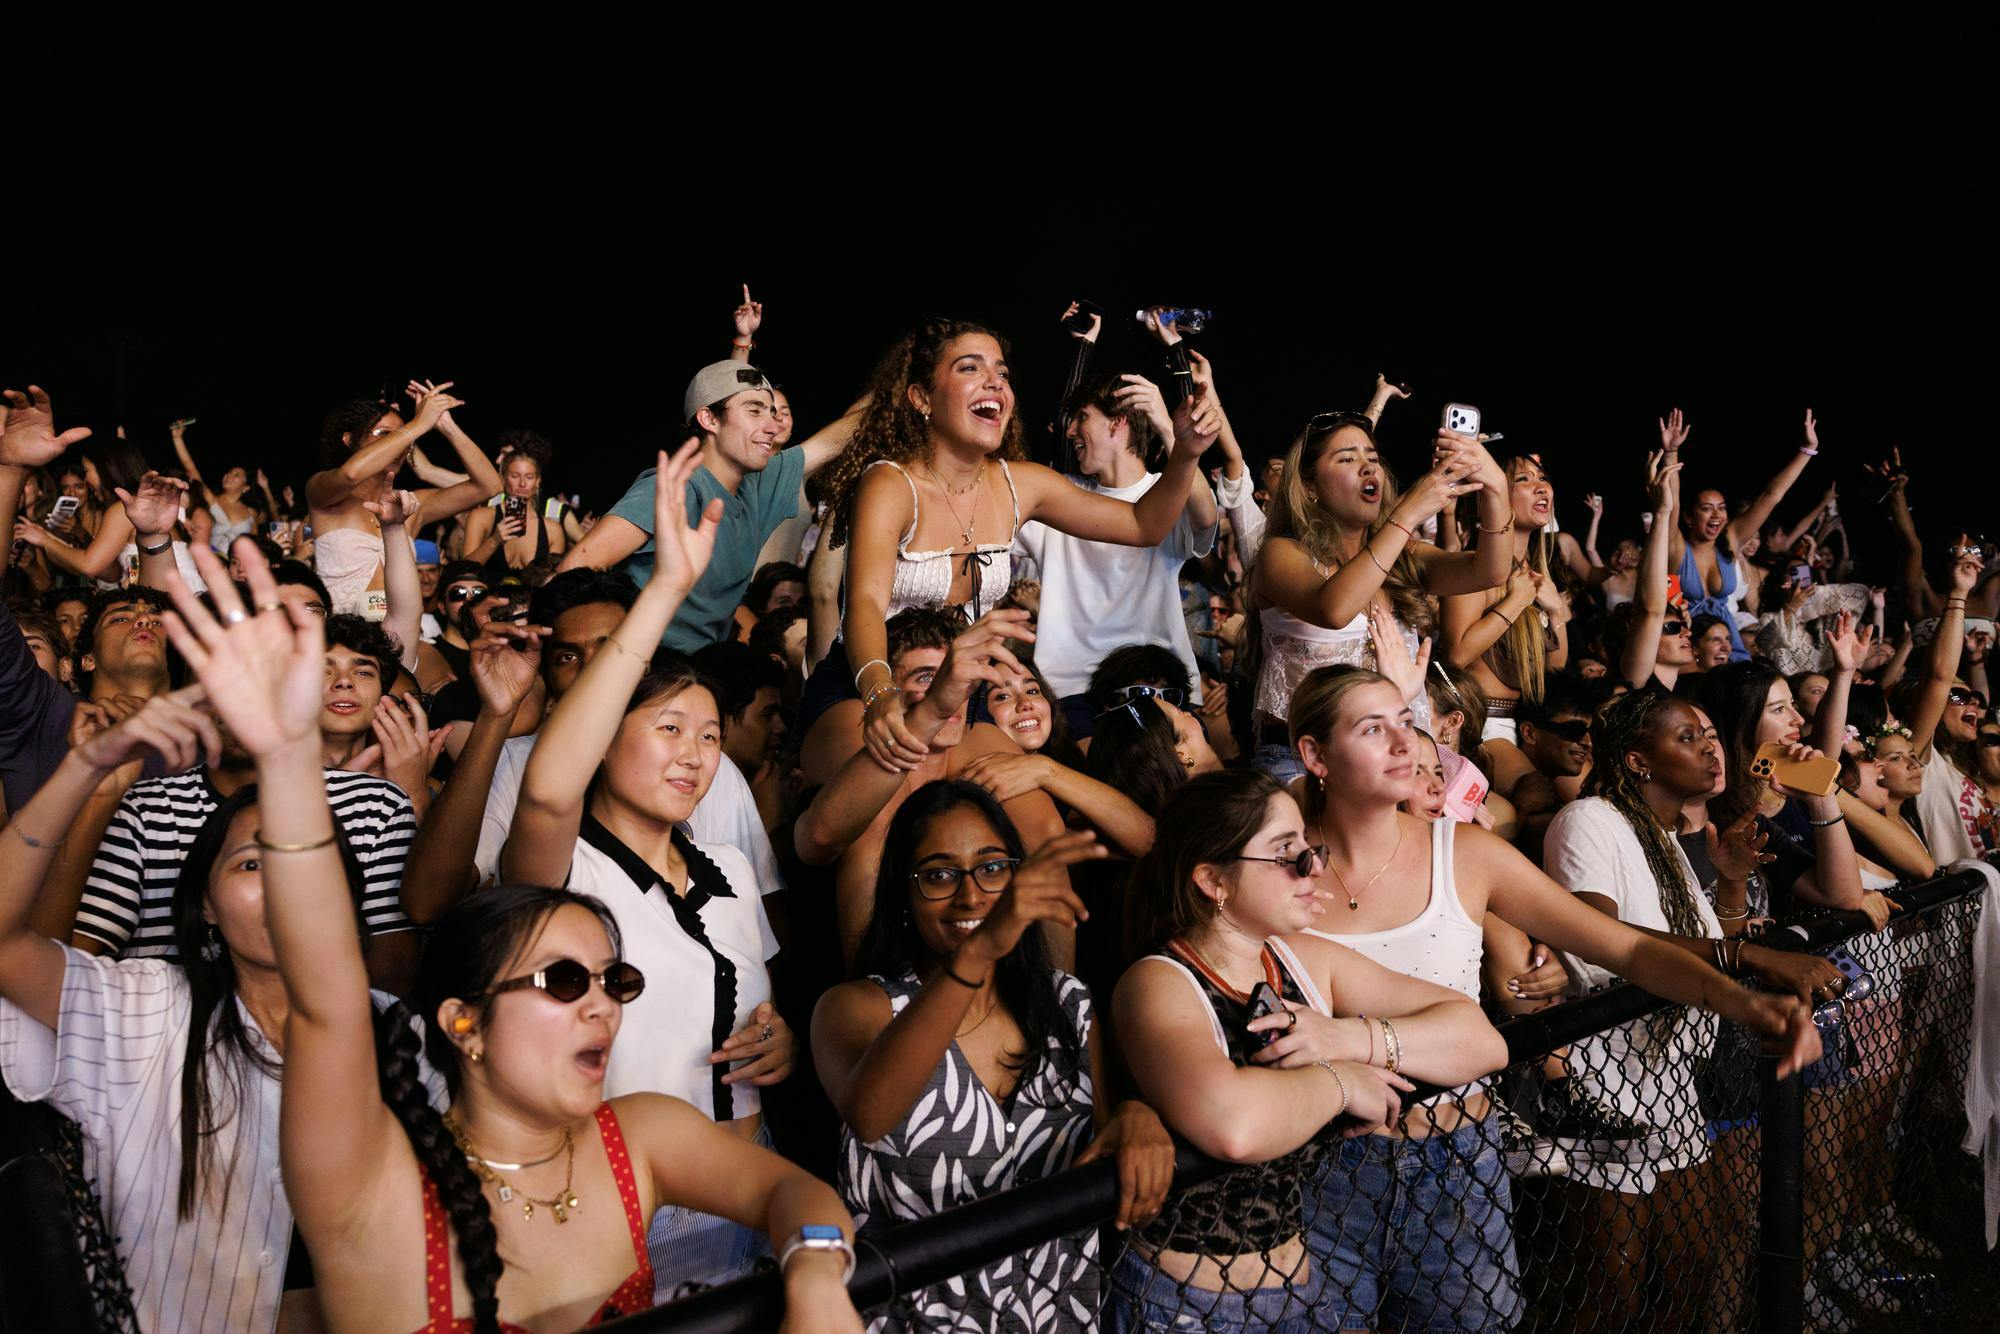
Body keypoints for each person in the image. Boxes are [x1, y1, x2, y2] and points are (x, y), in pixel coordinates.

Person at [152, 537, 864, 1334]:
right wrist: (285, 765)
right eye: (565, 982)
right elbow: (326, 998)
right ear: (464, 1024)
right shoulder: (374, 1190)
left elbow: (794, 1191)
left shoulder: (635, 1141)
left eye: (613, 981)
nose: (605, 1008)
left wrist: (813, 1271)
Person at [1287, 667, 1826, 1330]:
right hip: (1323, 1166)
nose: (1404, 742)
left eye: (1407, 721)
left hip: (1456, 1157)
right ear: (1314, 756)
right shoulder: (1274, 870)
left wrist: (1742, 997)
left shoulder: (1467, 853)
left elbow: (1622, 948)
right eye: (1375, 728)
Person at [0, 685, 404, 1333]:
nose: (283, 882)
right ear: (206, 906)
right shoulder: (143, 1009)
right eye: (250, 862)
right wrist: (84, 769)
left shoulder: (403, 1039)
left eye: (305, 859)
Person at [503, 443, 806, 1293]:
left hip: (749, 1196)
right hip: (620, 1208)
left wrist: (778, 1041)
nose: (696, 756)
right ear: (606, 736)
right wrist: (667, 589)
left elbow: (754, 1009)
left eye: (710, 736)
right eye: (669, 729)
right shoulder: (566, 872)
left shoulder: (728, 870)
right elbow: (550, 785)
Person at [1111, 769, 1508, 1333]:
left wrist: (1354, 1039)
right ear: (1212, 880)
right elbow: (1234, 1125)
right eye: (1286, 853)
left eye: (1307, 846)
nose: (1314, 867)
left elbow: (1480, 1039)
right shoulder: (1159, 981)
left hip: (1303, 1291)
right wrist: (1344, 1080)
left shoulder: (1298, 958)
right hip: (1186, 1306)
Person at [812, 780, 1174, 1332]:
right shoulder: (858, 1008)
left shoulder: (1067, 1005)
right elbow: (870, 1113)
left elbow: (1100, 1134)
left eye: (991, 867)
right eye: (938, 875)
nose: (971, 895)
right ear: (903, 897)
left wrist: (1135, 1116)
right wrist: (978, 953)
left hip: (1060, 1313)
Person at [800, 318, 1220, 785]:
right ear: (921, 397)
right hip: (869, 681)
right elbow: (864, 603)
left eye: (1001, 373)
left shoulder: (1021, 484)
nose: (995, 383)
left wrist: (1185, 453)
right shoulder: (891, 483)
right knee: (879, 811)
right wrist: (879, 696)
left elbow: (1145, 524)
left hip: (962, 692)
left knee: (1032, 818)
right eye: (969, 368)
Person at [1540, 688, 1843, 1332]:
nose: (1710, 745)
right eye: (1686, 736)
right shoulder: (1590, 820)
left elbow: (1710, 948)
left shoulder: (1665, 838)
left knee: (1690, 1271)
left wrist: (1729, 882)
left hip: (1672, 1082)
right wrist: (1754, 958)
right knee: (1610, 1299)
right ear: (1637, 760)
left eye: (1710, 734)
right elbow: (1597, 944)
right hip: (1604, 1086)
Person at [1244, 408, 1508, 779]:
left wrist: (1495, 486)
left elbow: (1490, 570)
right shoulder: (1282, 553)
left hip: (1396, 758)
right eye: (1348, 459)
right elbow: (1333, 608)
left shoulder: (1403, 556)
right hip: (1306, 765)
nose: (1368, 468)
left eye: (1373, 458)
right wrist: (1410, 511)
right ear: (1309, 487)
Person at [559, 364, 853, 652]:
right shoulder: (677, 486)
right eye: (755, 411)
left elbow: (834, 441)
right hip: (651, 668)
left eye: (773, 413)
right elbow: (575, 567)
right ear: (709, 419)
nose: (773, 427)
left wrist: (898, 379)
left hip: (706, 670)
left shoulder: (759, 484)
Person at [1011, 370, 1218, 709]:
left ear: (1117, 421)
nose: (1070, 431)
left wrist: (1172, 431)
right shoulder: (1058, 495)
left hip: (1159, 687)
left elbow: (1206, 518)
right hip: (1073, 691)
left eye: (1082, 417)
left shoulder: (1167, 491)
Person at [307, 381, 503, 618]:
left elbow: (489, 486)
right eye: (384, 434)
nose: (399, 445)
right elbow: (351, 474)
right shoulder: (323, 493)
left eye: (403, 437)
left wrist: (445, 425)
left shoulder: (409, 505)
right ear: (350, 440)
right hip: (341, 642)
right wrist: (418, 424)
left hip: (400, 643)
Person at [1663, 407, 1822, 663]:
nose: (1717, 515)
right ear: (1689, 517)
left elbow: (1771, 496)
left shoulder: (1731, 539)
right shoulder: (1677, 546)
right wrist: (1671, 453)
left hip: (1729, 645)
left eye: (1722, 508)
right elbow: (1669, 505)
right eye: (1706, 509)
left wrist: (1807, 450)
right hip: (1688, 647)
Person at [1442, 454, 1578, 736]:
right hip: (1477, 722)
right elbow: (1457, 655)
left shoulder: (1537, 574)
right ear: (1491, 497)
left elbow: (1555, 669)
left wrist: (1556, 612)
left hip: (1520, 723)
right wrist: (1514, 603)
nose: (1542, 487)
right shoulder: (1472, 566)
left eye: (1543, 478)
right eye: (1523, 479)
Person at [462, 431, 584, 570]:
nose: (522, 483)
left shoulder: (553, 530)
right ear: (503, 478)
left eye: (529, 477)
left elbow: (552, 584)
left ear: (538, 481)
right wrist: (494, 540)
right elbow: (463, 571)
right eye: (515, 476)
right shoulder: (481, 517)